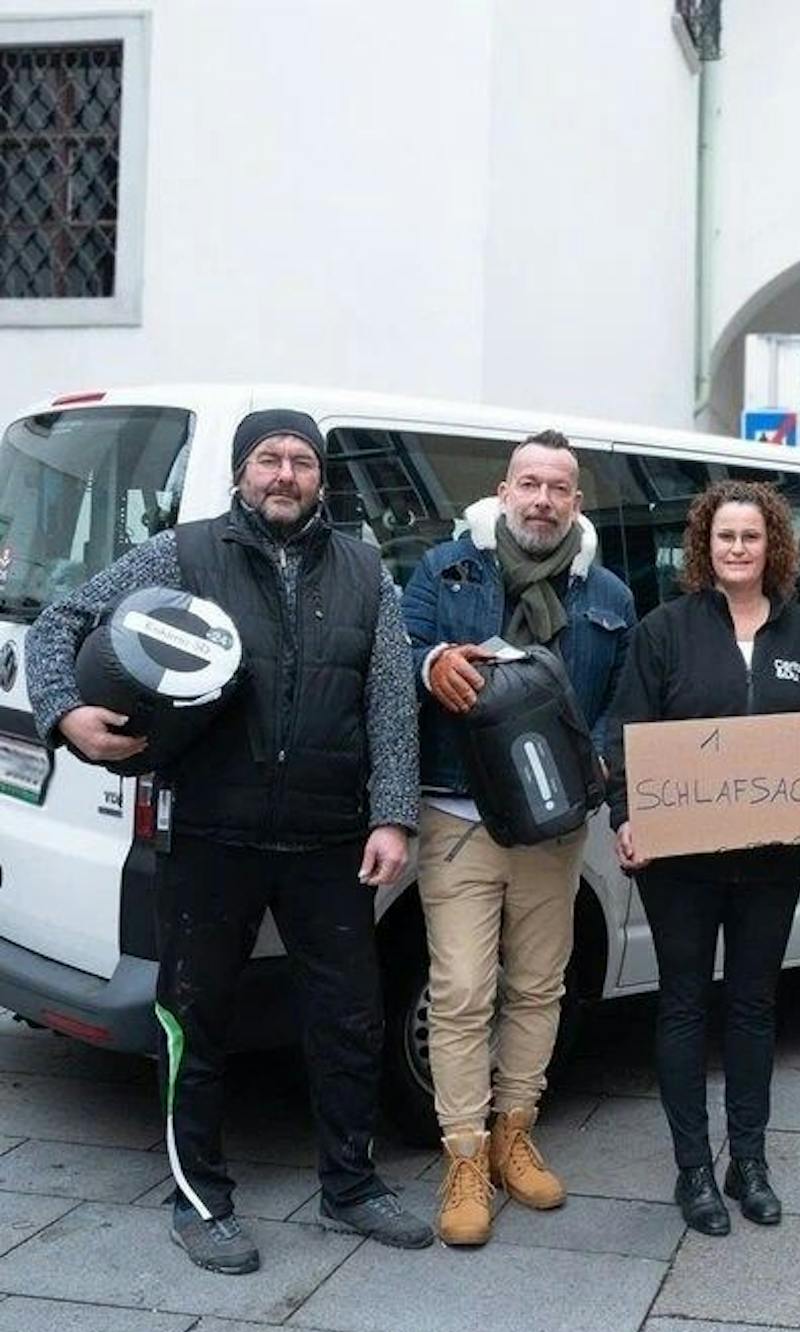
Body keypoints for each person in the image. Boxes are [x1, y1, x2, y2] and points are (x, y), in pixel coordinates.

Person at [25, 409, 431, 1274]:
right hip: (210, 829)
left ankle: (351, 1186)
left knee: (349, 1019)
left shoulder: (367, 573)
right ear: (242, 472)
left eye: (302, 462)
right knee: (195, 1017)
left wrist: (393, 816)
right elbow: (60, 620)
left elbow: (392, 704)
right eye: (268, 460)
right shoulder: (184, 552)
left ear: (323, 478)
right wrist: (65, 714)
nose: (285, 475)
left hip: (330, 840)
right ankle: (201, 1199)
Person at [402, 430, 634, 1246]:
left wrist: (603, 766)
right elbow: (393, 658)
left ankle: (514, 1133)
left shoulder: (607, 593)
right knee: (462, 990)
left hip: (554, 823)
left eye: (558, 488)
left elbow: (619, 702)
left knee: (540, 987)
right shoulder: (445, 568)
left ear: (577, 502)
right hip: (458, 815)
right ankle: (463, 1156)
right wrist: (430, 663)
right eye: (529, 484)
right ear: (504, 491)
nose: (542, 500)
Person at [606, 480, 800, 1236]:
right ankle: (694, 1168)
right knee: (682, 1004)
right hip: (682, 863)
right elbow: (626, 728)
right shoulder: (664, 630)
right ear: (705, 545)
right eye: (725, 536)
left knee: (756, 1006)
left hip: (771, 859)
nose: (738, 548)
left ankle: (751, 1162)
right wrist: (626, 814)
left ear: (775, 547)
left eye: (752, 536)